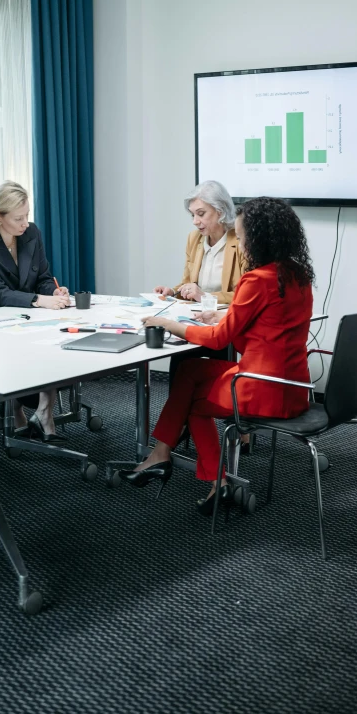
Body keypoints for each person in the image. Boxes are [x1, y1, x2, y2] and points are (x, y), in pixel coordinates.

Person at [121, 196, 315, 515]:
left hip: (260, 387)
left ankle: (217, 483)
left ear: (258, 238)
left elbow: (217, 341)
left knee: (196, 405)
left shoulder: (256, 279)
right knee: (190, 371)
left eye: (241, 236)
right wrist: (223, 319)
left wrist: (168, 323)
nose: (239, 244)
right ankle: (159, 453)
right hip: (294, 386)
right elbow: (266, 327)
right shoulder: (296, 273)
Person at [0, 180, 69, 441]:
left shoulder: (31, 233)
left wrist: (52, 292)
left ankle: (45, 411)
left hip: (31, 314)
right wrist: (38, 300)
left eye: (27, 216)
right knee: (21, 349)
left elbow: (43, 276)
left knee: (56, 342)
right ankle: (15, 407)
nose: (25, 223)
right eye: (18, 218)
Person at [154, 180, 245, 304]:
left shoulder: (241, 241)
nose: (195, 221)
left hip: (226, 316)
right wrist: (172, 292)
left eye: (201, 214)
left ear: (220, 211)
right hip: (197, 314)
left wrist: (205, 297)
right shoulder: (194, 238)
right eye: (193, 215)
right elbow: (188, 284)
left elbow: (247, 294)